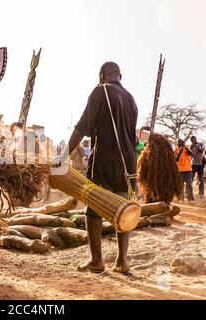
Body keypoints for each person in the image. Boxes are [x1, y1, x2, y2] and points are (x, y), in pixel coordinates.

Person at [65, 62, 138, 274]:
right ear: (120, 76)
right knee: (124, 208)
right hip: (129, 161)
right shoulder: (130, 98)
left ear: (101, 75)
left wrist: (63, 156)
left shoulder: (101, 90)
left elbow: (82, 127)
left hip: (106, 158)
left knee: (92, 208)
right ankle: (122, 261)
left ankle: (96, 261)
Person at [175, 139, 195, 203]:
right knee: (181, 185)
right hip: (180, 170)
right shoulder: (176, 149)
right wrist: (179, 152)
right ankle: (181, 198)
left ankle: (191, 199)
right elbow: (176, 160)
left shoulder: (186, 148)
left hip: (188, 169)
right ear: (177, 143)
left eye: (181, 142)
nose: (180, 143)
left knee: (189, 184)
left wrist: (185, 146)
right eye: (179, 142)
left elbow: (191, 153)